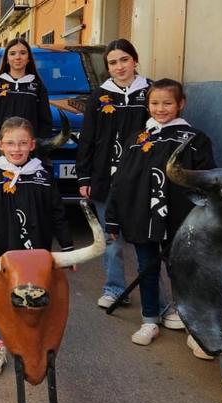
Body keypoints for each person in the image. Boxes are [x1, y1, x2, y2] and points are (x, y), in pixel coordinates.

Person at [104, 79, 216, 359]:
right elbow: (120, 181)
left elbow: (207, 181)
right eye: (154, 103)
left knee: (185, 273)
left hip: (182, 221)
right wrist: (113, 219)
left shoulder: (195, 139)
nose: (160, 108)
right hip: (143, 219)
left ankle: (195, 329)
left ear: (181, 104)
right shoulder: (138, 139)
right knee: (147, 269)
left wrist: (205, 218)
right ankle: (150, 320)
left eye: (167, 103)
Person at [0, 117, 74, 377]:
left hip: (36, 258)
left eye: (23, 143)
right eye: (11, 143)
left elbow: (58, 213)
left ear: (32, 145)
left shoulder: (44, 177)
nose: (17, 149)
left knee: (35, 300)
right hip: (1, 256)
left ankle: (33, 345)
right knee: (2, 303)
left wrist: (68, 248)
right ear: (0, 145)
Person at [76, 39, 150, 309]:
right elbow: (87, 139)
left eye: (124, 60)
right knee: (111, 239)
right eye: (113, 62)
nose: (119, 67)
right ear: (107, 67)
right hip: (105, 179)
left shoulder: (150, 93)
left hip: (142, 181)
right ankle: (115, 289)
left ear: (134, 60)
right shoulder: (99, 96)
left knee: (146, 241)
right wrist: (83, 177)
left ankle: (155, 300)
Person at [0, 38, 51, 144]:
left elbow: (45, 122)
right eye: (12, 53)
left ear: (29, 58)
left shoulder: (38, 87)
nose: (18, 57)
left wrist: (40, 147)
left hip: (28, 152)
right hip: (0, 152)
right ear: (7, 59)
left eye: (23, 53)